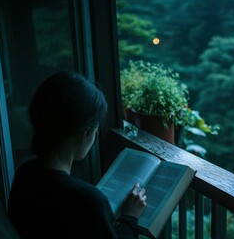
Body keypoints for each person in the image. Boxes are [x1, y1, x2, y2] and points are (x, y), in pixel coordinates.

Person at [8, 71, 147, 238]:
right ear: (85, 133)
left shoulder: (25, 174)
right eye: (96, 129)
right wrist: (129, 218)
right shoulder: (88, 202)